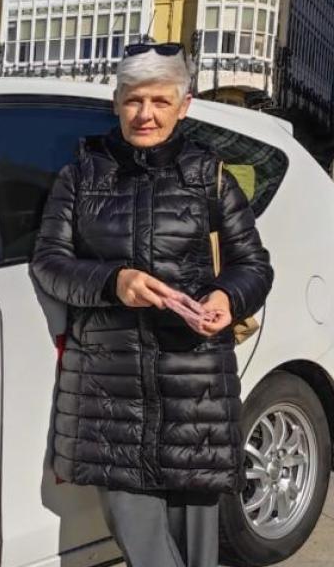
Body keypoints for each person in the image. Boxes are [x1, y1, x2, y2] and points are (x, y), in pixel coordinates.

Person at [31, 42, 273, 567]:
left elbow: (253, 265)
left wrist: (227, 297)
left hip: (194, 385)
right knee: (139, 538)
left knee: (196, 550)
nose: (146, 114)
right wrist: (113, 282)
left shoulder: (208, 178)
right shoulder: (80, 176)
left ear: (183, 106)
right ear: (116, 101)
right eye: (134, 100)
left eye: (160, 102)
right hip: (108, 387)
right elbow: (49, 263)